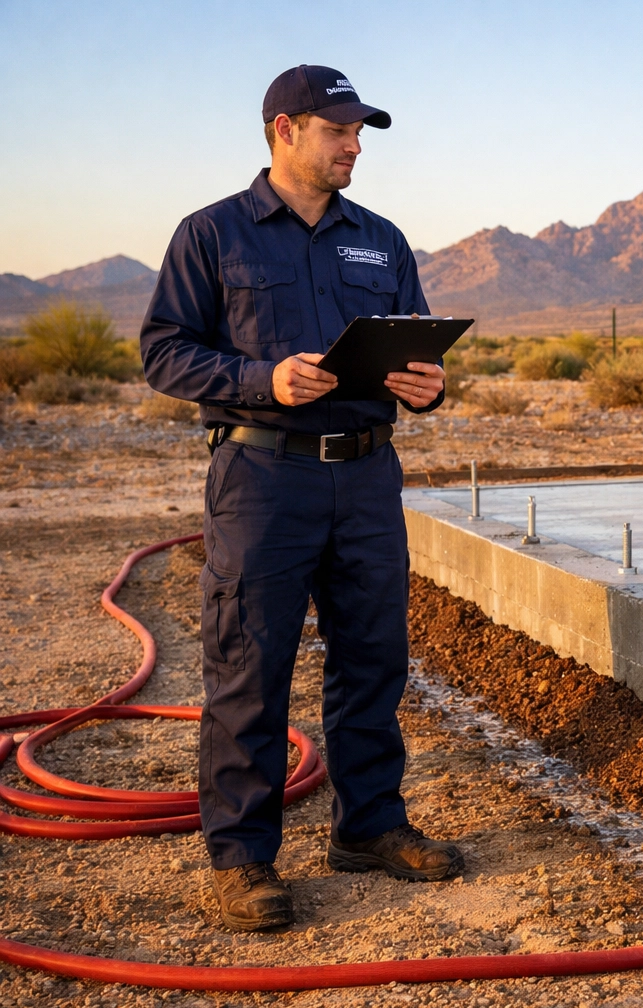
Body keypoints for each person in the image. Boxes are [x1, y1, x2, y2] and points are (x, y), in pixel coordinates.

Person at [140, 65, 462, 932]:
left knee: (373, 657)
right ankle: (243, 859)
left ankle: (370, 827)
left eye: (361, 133)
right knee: (249, 664)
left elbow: (415, 348)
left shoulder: (383, 240)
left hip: (364, 474)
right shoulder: (213, 234)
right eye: (340, 131)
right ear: (286, 130)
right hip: (262, 477)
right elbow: (164, 350)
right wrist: (259, 379)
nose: (356, 145)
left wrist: (427, 385)